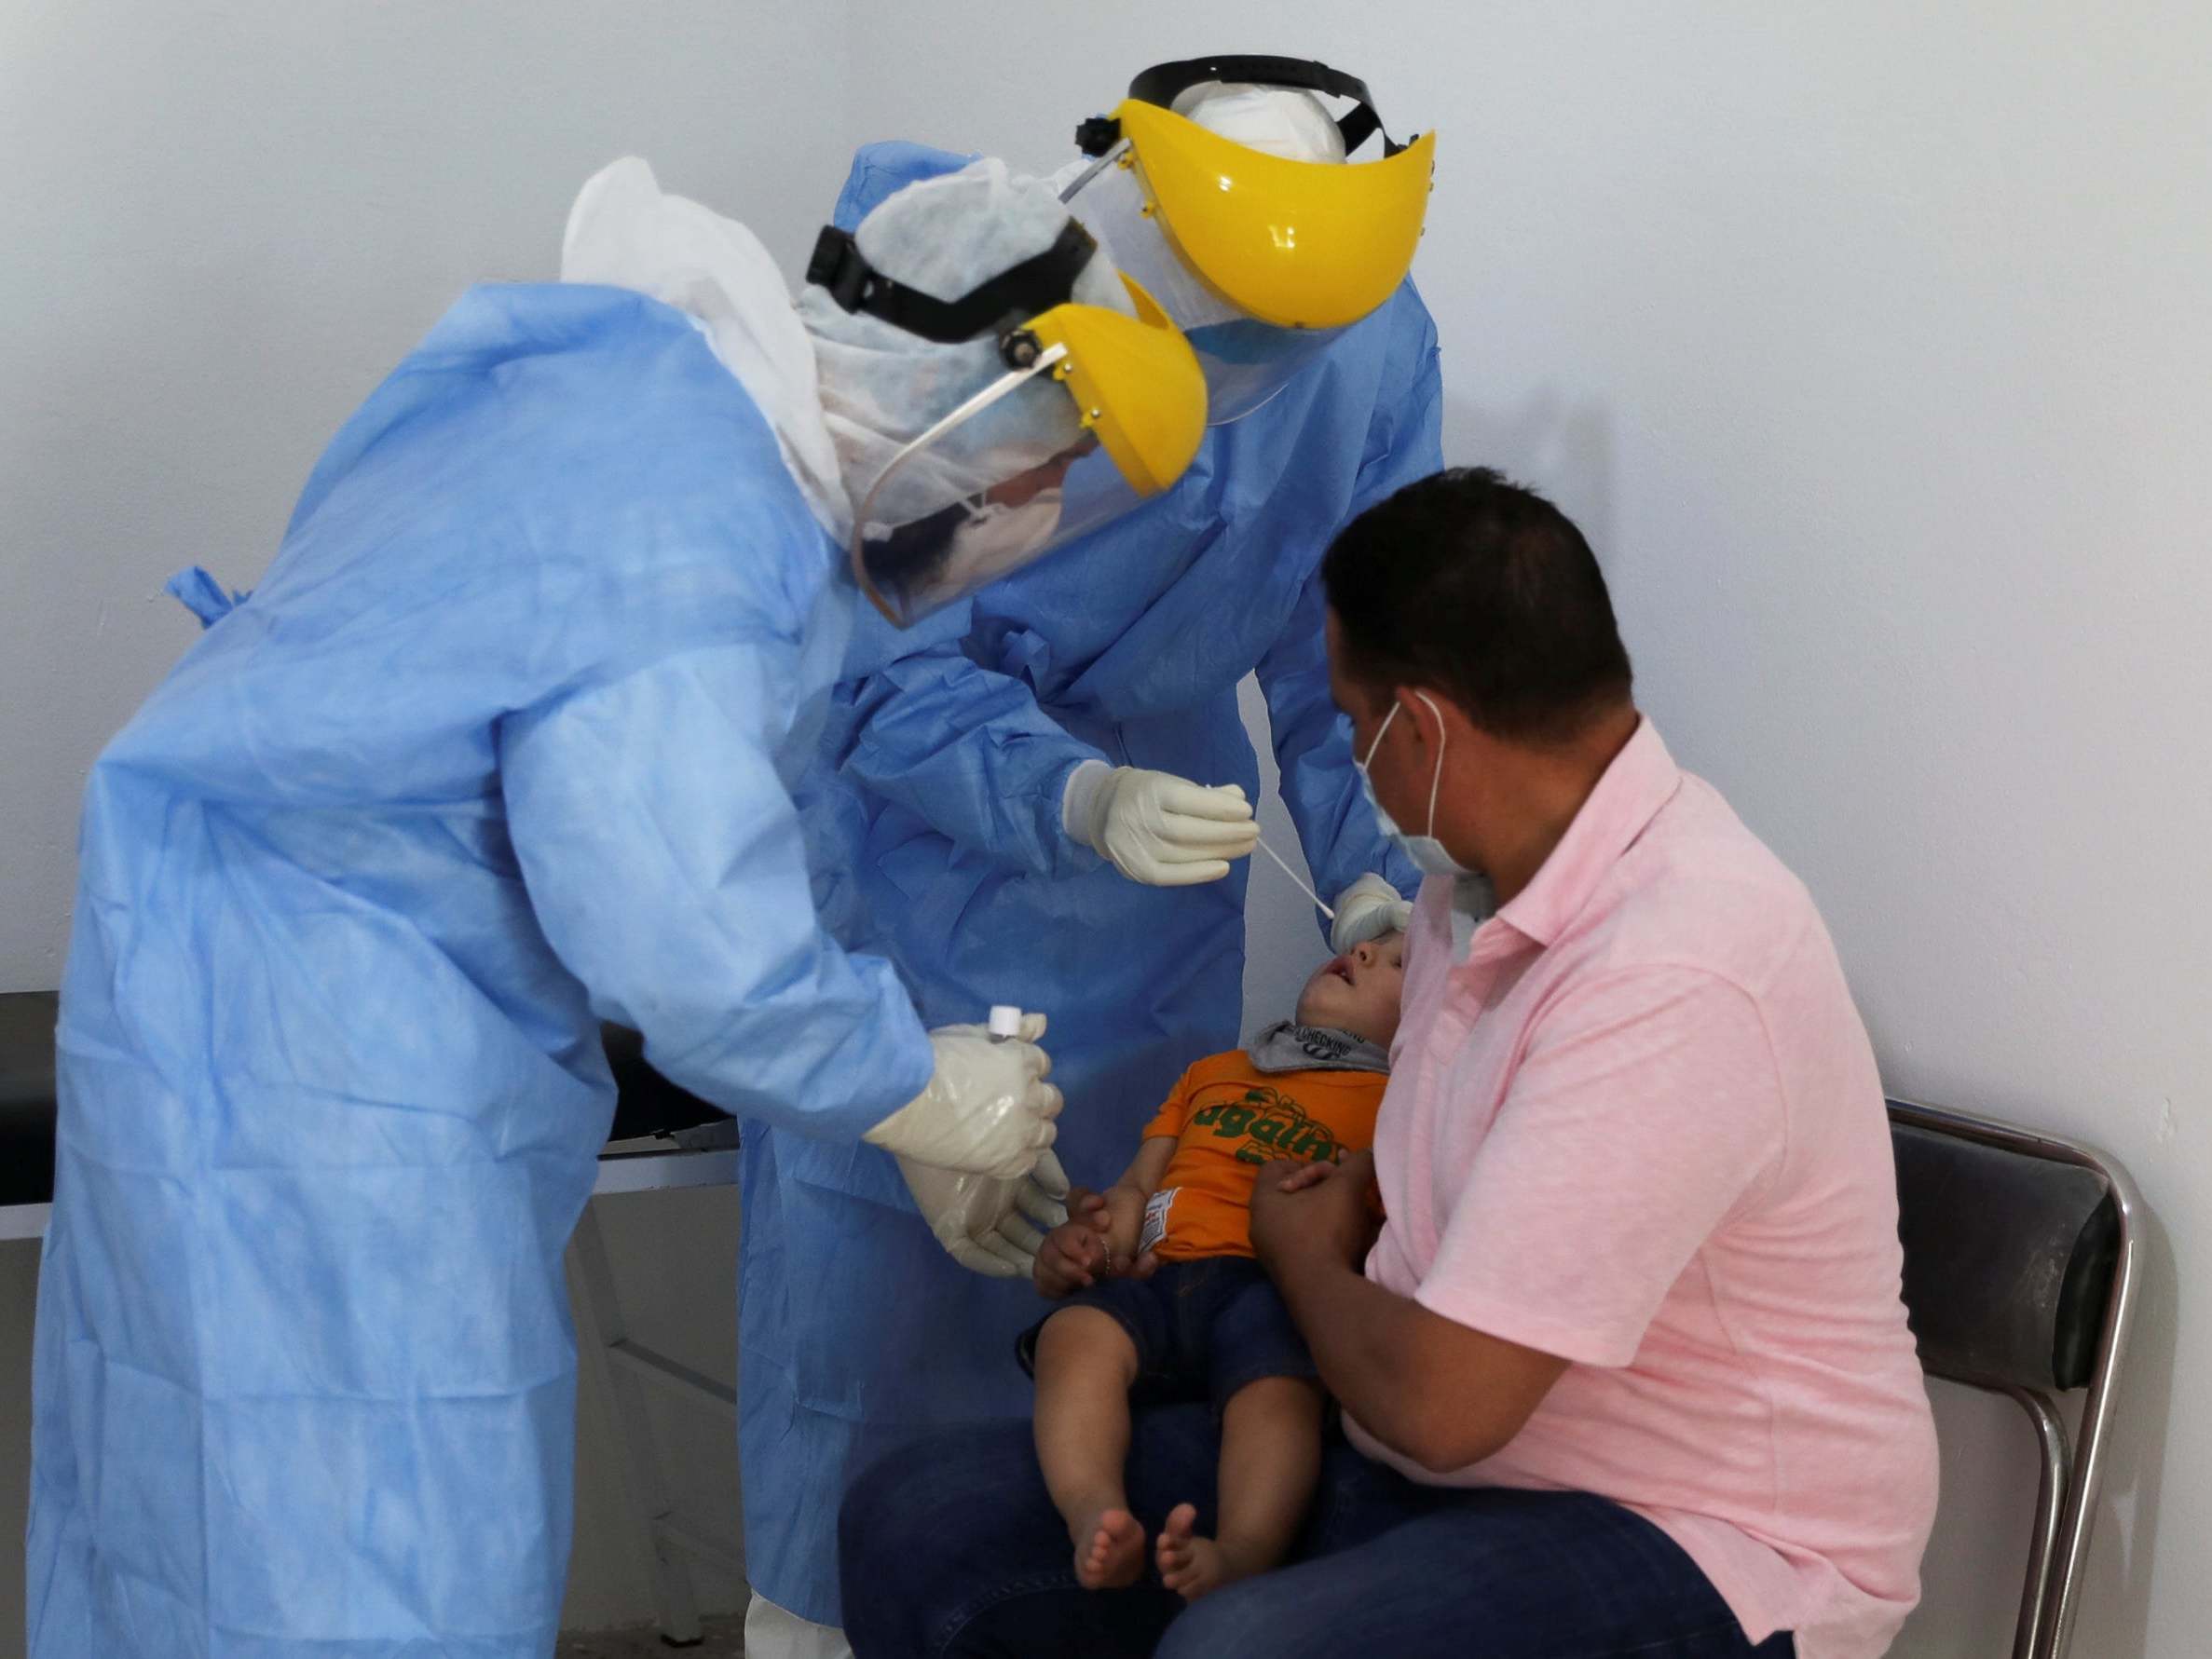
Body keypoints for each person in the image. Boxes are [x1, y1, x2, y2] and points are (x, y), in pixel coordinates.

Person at [26, 155, 1210, 1657]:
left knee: (187, 1531)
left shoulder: (639, 400)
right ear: (959, 403)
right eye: (1038, 473)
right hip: (330, 1077)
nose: (1035, 516)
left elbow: (735, 817)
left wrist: (884, 1090)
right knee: (363, 1573)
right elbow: (689, 932)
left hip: (232, 999)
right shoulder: (689, 528)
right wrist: (906, 1086)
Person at [839, 468, 1940, 1659]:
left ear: (1419, 725)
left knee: (1240, 1650)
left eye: (1355, 724)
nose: (1353, 758)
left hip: (1698, 1532)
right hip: (1432, 1452)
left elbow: (1442, 1404)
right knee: (919, 1525)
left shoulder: (1675, 967)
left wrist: (1302, 1255)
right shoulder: (1472, 885)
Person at [741, 59, 1441, 1654]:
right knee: (862, 1363)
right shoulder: (956, 293)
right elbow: (866, 648)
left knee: (1110, 1326)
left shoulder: (1375, 340)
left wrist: (1374, 861)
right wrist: (1068, 798)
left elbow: (1357, 655)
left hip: (1158, 925)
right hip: (911, 893)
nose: (1251, 384)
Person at [1028, 931, 1405, 1601]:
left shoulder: (1400, 1109)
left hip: (1272, 1288)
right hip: (1157, 1274)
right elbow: (1135, 1188)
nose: (1365, 950)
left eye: (1399, 960)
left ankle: (1244, 1549)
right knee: (1071, 1334)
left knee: (1283, 1381)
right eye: (1370, 942)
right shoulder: (1215, 1070)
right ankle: (1093, 1511)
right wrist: (1088, 1243)